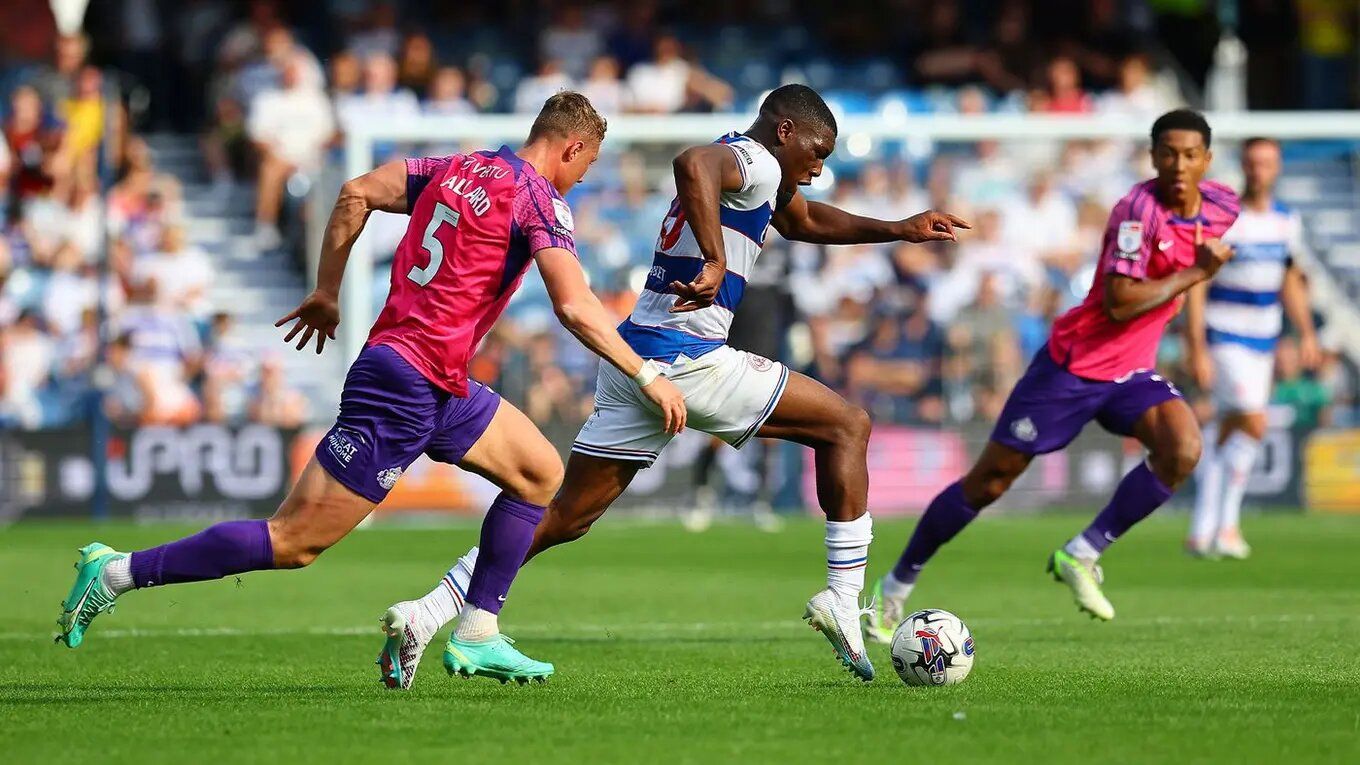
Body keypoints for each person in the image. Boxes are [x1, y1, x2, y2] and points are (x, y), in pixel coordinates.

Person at [54, 93, 688, 688]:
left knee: (539, 473)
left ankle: (475, 629)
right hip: (405, 384)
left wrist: (328, 290)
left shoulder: (453, 166)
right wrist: (645, 373)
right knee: (293, 541)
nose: (582, 177)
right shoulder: (539, 199)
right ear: (572, 149)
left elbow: (357, 192)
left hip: (439, 381)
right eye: (589, 164)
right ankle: (115, 572)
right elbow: (575, 307)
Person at [378, 84, 970, 689]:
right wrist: (714, 256)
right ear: (786, 132)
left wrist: (899, 228)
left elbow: (805, 220)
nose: (821, 165)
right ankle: (844, 597)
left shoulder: (754, 168)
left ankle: (427, 615)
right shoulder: (755, 160)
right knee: (848, 425)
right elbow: (690, 164)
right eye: (818, 150)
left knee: (563, 517)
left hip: (638, 349)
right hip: (687, 360)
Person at [866, 110, 1239, 641]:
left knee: (1183, 448)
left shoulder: (1224, 205)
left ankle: (1081, 554)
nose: (1178, 164)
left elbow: (1193, 273)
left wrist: (1196, 330)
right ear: (1152, 156)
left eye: (1190, 154)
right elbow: (1119, 302)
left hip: (1132, 372)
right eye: (1168, 153)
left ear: (1207, 159)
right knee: (989, 482)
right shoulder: (1136, 213)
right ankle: (895, 587)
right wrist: (1196, 273)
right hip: (1072, 367)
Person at [1186, 137, 1317, 559]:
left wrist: (1305, 334)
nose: (1260, 170)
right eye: (1253, 163)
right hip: (1225, 333)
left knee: (1232, 430)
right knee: (1253, 420)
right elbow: (1198, 283)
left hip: (1264, 338)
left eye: (1267, 163)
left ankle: (1207, 526)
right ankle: (1225, 525)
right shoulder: (1225, 219)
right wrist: (1196, 346)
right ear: (1244, 167)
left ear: (1277, 169)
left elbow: (1290, 280)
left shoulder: (1285, 221)